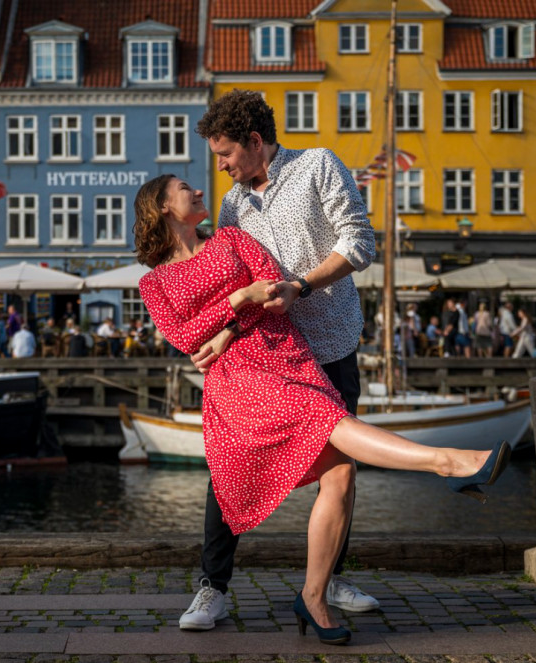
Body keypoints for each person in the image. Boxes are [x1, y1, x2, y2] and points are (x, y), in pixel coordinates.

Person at [134, 174, 511, 645]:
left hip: (286, 353)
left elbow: (276, 294)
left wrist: (230, 324)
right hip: (239, 377)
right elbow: (186, 337)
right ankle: (449, 462)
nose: (196, 190)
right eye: (183, 187)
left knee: (341, 474)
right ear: (162, 207)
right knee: (322, 424)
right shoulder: (154, 282)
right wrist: (240, 296)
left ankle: (314, 596)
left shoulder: (231, 240)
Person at [182, 89, 380, 630]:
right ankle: (212, 587)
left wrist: (300, 286)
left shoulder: (318, 165)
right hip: (266, 356)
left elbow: (360, 242)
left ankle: (328, 580)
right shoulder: (232, 206)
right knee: (229, 465)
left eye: (225, 154)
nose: (221, 167)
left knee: (339, 470)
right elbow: (237, 285)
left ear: (254, 141)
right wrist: (226, 332)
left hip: (330, 342)